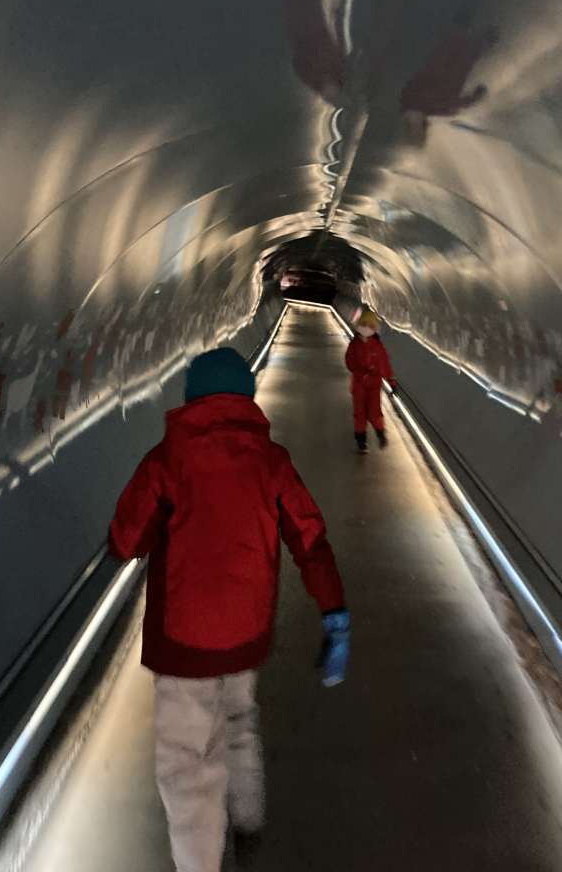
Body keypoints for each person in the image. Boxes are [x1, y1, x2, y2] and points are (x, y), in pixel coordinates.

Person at [108, 347, 349, 872]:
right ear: (247, 398)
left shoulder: (165, 461)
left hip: (183, 642)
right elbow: (310, 541)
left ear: (192, 398)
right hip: (246, 633)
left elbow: (126, 541)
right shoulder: (272, 462)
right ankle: (248, 820)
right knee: (239, 718)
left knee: (188, 763)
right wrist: (334, 611)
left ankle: (202, 860)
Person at [345, 309, 397, 453]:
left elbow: (385, 364)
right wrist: (359, 370)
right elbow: (349, 361)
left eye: (371, 326)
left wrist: (391, 381)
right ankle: (361, 441)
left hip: (374, 385)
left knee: (374, 412)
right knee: (360, 413)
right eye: (365, 325)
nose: (367, 328)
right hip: (359, 385)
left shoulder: (377, 346)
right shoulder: (354, 344)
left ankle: (381, 433)